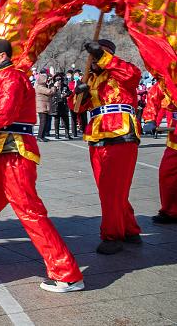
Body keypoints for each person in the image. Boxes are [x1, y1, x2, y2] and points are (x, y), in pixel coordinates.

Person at [0, 38, 84, 293]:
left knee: (29, 210)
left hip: (13, 152)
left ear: (2, 56)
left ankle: (66, 273)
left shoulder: (11, 77)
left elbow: (4, 111)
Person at [69, 39, 141, 254]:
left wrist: (103, 55)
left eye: (99, 55)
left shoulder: (122, 72)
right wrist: (78, 94)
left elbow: (133, 76)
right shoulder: (90, 79)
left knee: (111, 189)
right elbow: (75, 109)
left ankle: (112, 236)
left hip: (121, 133)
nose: (95, 59)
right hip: (96, 135)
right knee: (109, 188)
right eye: (93, 55)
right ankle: (130, 229)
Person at [142, 78, 177, 224]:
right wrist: (150, 119)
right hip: (175, 139)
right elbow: (153, 95)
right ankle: (171, 211)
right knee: (167, 174)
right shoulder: (169, 77)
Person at [50, 73, 72, 139]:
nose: (59, 81)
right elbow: (51, 93)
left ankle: (67, 133)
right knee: (57, 119)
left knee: (66, 119)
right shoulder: (52, 85)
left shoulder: (65, 86)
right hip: (56, 104)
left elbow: (69, 92)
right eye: (57, 79)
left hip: (63, 103)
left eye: (60, 79)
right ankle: (57, 134)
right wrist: (56, 87)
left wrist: (66, 94)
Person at [34, 73, 53, 142]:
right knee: (43, 122)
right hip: (42, 107)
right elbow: (50, 92)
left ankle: (42, 136)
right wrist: (54, 86)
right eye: (46, 79)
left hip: (44, 106)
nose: (47, 80)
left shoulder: (43, 86)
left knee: (45, 122)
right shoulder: (39, 87)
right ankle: (40, 136)